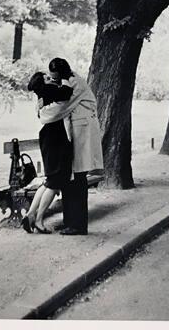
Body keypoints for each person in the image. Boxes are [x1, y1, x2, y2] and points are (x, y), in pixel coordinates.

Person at [39, 58, 104, 235]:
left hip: (82, 136)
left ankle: (78, 225)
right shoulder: (68, 82)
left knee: (78, 181)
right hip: (74, 138)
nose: (53, 82)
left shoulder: (76, 85)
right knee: (71, 180)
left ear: (62, 74)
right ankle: (71, 222)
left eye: (55, 78)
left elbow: (59, 109)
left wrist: (41, 112)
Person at [21, 71, 74, 234]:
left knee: (50, 180)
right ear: (42, 82)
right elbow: (67, 92)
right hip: (56, 139)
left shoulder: (42, 95)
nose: (50, 77)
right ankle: (38, 220)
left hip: (49, 137)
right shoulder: (49, 89)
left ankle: (30, 215)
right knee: (56, 181)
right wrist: (65, 78)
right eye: (46, 77)